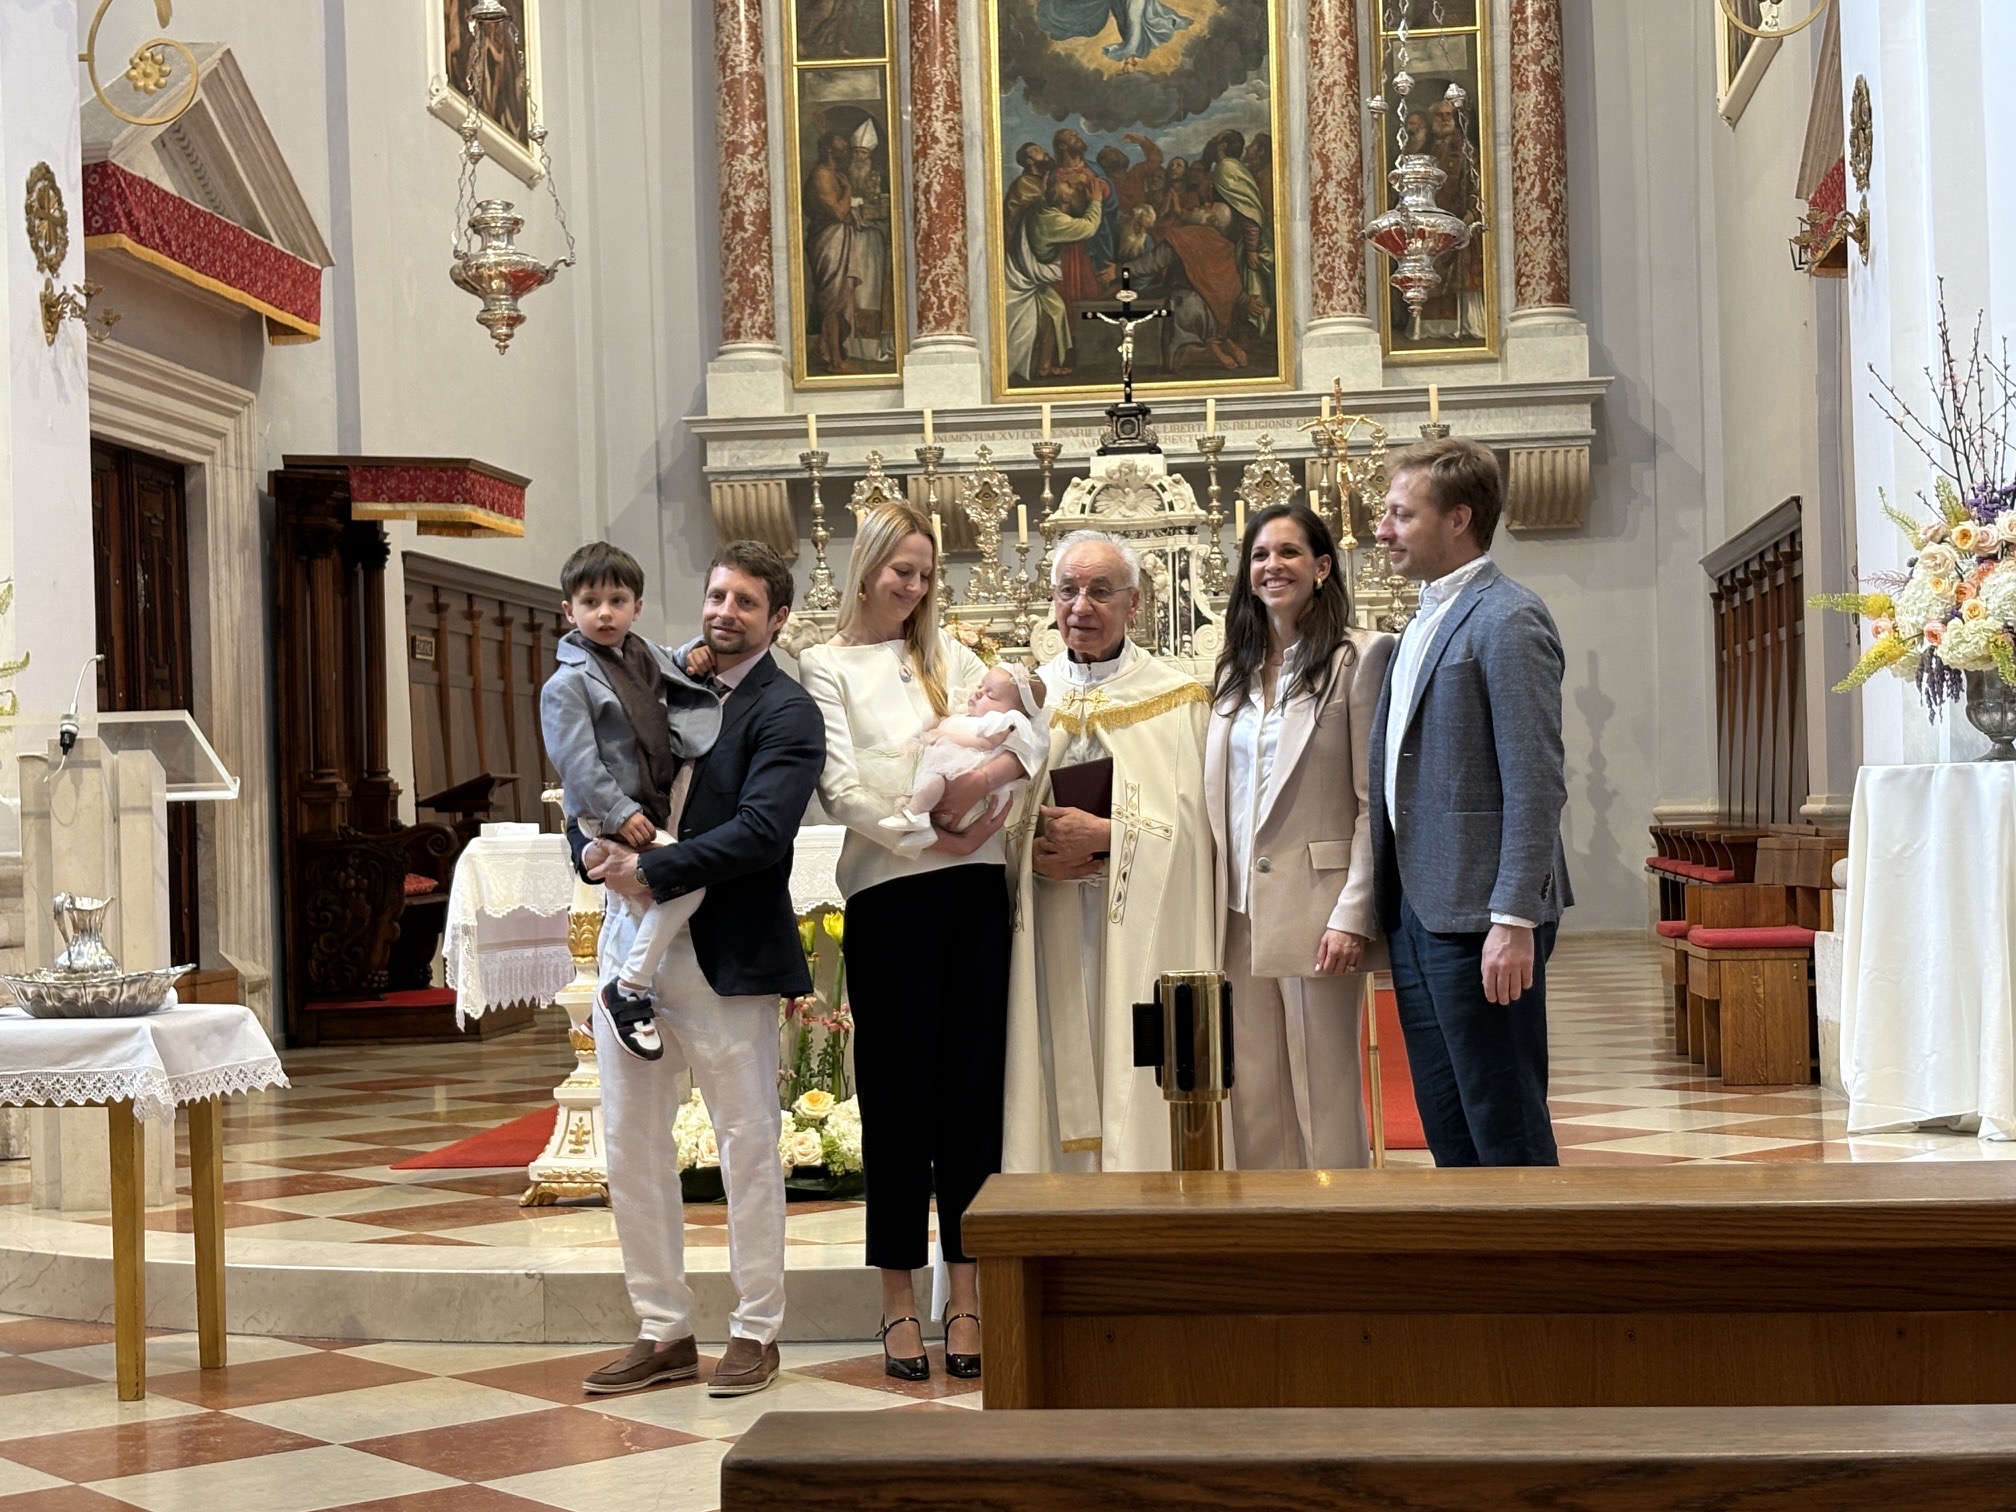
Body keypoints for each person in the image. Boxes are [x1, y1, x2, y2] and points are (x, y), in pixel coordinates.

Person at [568, 541, 825, 1399]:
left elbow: (763, 831)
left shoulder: (786, 710)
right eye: (717, 595)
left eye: (746, 602)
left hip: (723, 960)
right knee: (630, 1147)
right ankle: (662, 1329)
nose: (725, 613)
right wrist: (589, 853)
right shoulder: (655, 679)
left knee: (746, 1145)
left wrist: (654, 870)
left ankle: (755, 1328)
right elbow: (589, 772)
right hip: (627, 949)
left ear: (777, 618)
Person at [798, 503, 1046, 1382]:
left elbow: (1030, 737)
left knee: (973, 1096)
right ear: (866, 568)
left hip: (974, 892)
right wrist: (925, 833)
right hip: (890, 894)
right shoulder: (824, 663)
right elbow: (838, 786)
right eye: (900, 569)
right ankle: (897, 1296)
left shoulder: (953, 656)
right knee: (899, 1102)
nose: (913, 585)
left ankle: (965, 1293)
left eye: (925, 573)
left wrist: (975, 791)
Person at [1368, 438, 1572, 1167]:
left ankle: (1537, 1243)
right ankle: (1470, 1242)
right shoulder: (1421, 621)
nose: (1382, 530)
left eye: (1401, 514)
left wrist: (1514, 917)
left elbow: (1536, 779)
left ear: (1458, 519)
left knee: (1504, 1121)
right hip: (1420, 908)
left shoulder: (1507, 618)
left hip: (1484, 914)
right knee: (1448, 1122)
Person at [1003, 530, 1214, 1173]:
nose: (1081, 607)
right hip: (1050, 921)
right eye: (1067, 591)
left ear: (1134, 602)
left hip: (1141, 926)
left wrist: (1111, 837)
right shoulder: (1024, 700)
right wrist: (1028, 853)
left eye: (1100, 591)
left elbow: (1199, 833)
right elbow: (993, 819)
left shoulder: (1178, 701)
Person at [1206, 503, 1393, 1169]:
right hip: (1238, 909)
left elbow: (1373, 802)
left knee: (1324, 1090)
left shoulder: (1359, 658)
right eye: (1259, 555)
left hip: (1318, 908)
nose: (1272, 566)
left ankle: (1342, 1222)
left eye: (1288, 552)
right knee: (1254, 1093)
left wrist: (1353, 914)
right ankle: (1270, 1221)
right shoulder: (1232, 668)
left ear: (1322, 568)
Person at [540, 544, 723, 1062]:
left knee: (654, 899)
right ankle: (627, 989)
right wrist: (621, 814)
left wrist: (694, 653)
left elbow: (673, 662)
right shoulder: (567, 682)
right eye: (590, 602)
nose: (604, 613)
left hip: (647, 805)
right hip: (609, 815)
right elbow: (577, 763)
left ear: (636, 607)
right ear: (569, 610)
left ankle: (621, 994)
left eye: (617, 601)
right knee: (685, 882)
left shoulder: (640, 653)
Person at [878, 664, 1050, 849]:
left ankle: (914, 818)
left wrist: (941, 735)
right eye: (980, 686)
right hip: (944, 768)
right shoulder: (964, 715)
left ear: (1012, 713)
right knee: (924, 780)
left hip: (961, 776)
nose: (978, 692)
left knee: (935, 779)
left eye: (990, 695)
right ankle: (919, 823)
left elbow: (983, 744)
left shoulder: (999, 722)